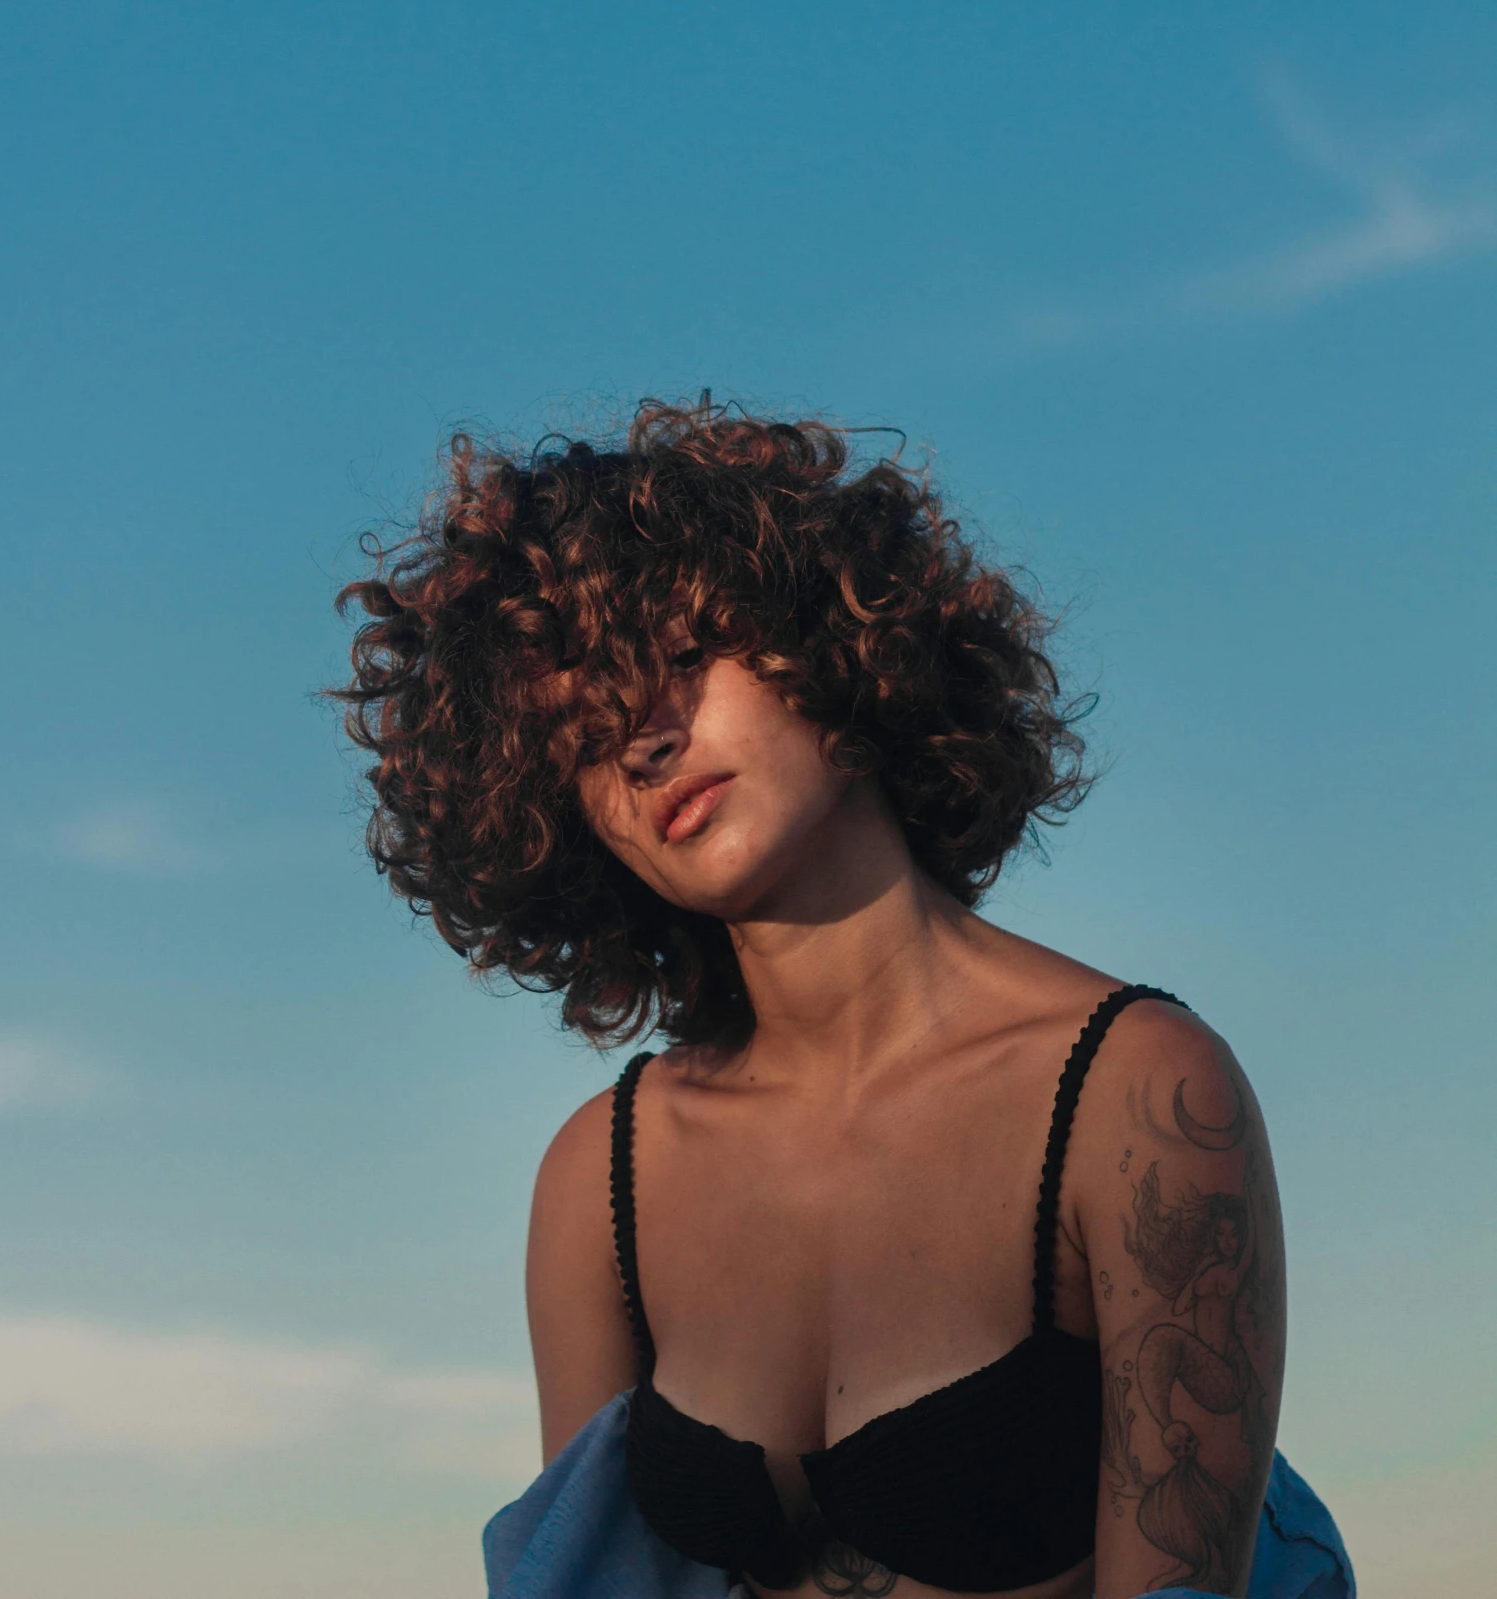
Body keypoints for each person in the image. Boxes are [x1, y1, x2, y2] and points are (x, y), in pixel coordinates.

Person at [334, 403, 1353, 1599]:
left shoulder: (1138, 1094)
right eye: (584, 738)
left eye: (672, 659)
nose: (647, 744)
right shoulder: (600, 1180)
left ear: (819, 630)